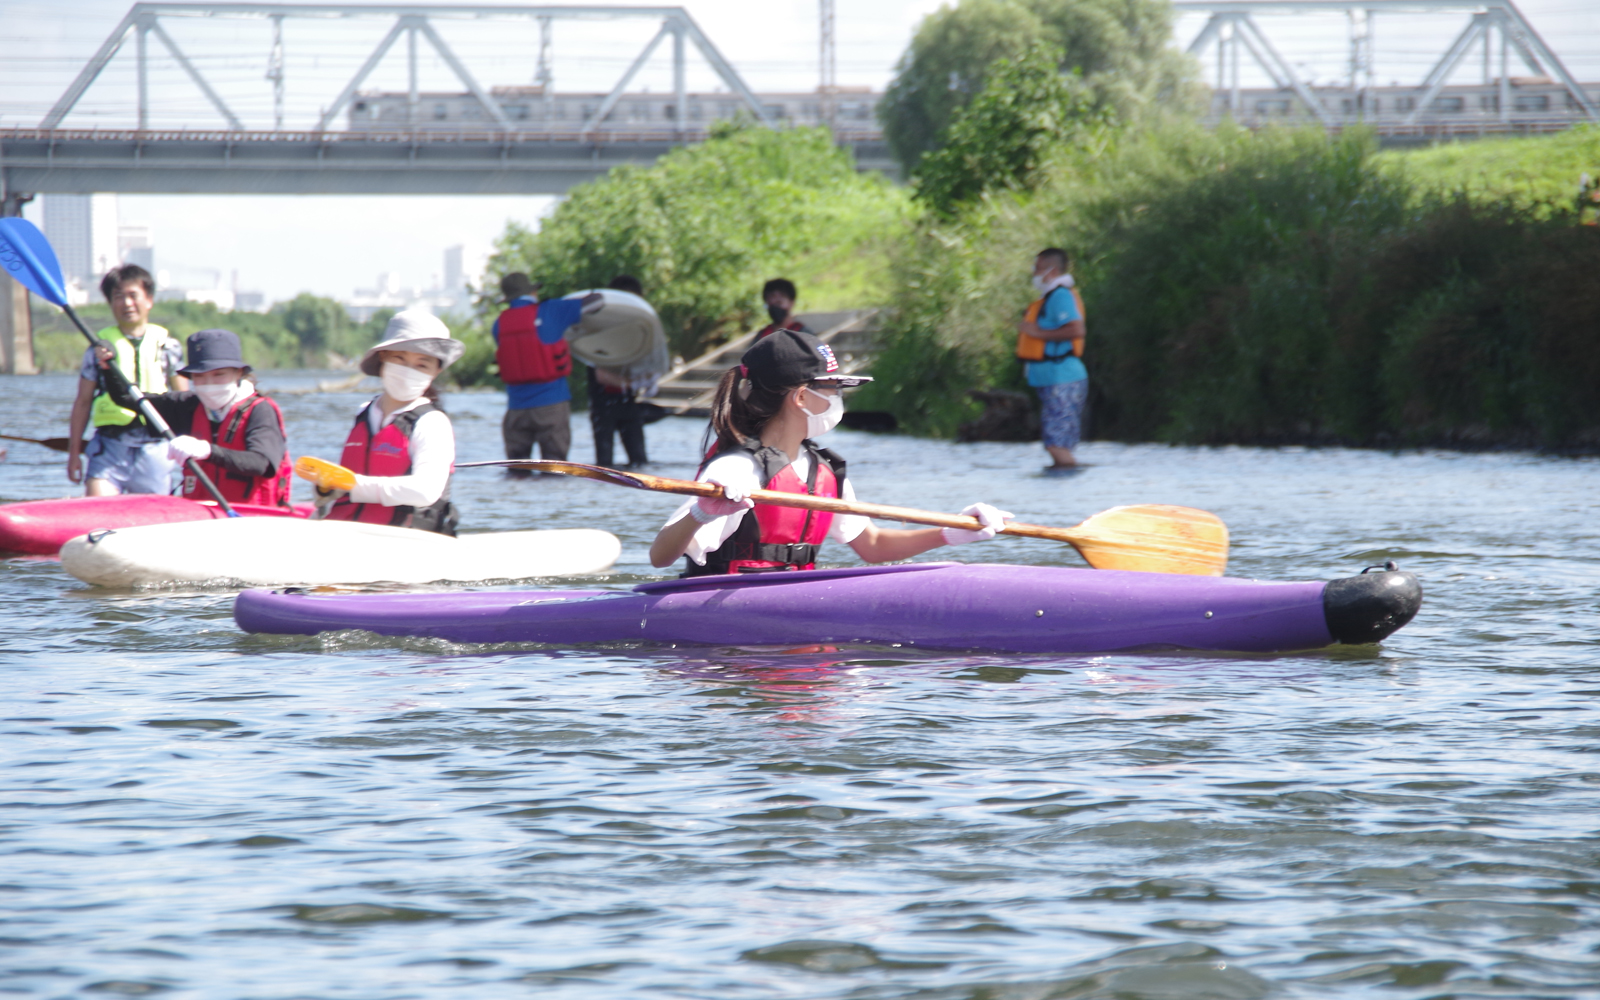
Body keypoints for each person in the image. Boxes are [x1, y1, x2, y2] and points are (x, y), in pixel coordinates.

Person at [649, 328, 1012, 575]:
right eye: (833, 387)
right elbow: (660, 556)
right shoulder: (736, 468)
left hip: (788, 608)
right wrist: (700, 512)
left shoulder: (823, 471)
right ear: (802, 397)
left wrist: (952, 530)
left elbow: (872, 545)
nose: (839, 398)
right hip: (722, 619)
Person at [295, 310, 463, 534]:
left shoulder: (432, 423)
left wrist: (356, 486)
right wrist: (326, 489)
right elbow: (345, 485)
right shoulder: (364, 412)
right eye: (400, 359)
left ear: (436, 371)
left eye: (421, 365)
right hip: (346, 531)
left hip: (407, 539)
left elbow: (426, 491)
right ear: (383, 357)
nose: (407, 371)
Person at [99, 328, 291, 506]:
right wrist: (109, 366)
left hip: (254, 517)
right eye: (200, 377)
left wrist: (207, 451)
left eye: (219, 375)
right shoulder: (189, 405)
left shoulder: (261, 411)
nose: (209, 385)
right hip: (201, 516)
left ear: (238, 373)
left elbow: (262, 463)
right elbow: (128, 399)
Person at [66, 264, 188, 495]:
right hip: (110, 446)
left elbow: (184, 401)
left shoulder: (168, 346)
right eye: (118, 297)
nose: (127, 303)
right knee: (99, 511)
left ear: (149, 300)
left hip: (155, 448)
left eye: (133, 296)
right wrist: (74, 455)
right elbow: (82, 402)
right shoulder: (98, 349)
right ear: (111, 303)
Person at [493, 272, 586, 470]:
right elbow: (596, 302)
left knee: (518, 472)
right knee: (554, 470)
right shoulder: (551, 311)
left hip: (516, 411)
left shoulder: (498, 324)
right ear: (533, 291)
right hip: (551, 406)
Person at [1016, 248, 1087, 468]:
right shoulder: (1049, 296)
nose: (1033, 273)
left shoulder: (1060, 296)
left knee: (1056, 445)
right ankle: (1066, 482)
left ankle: (1066, 488)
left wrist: (1037, 333)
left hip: (1062, 378)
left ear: (1052, 270)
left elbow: (1077, 329)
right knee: (1057, 443)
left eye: (1037, 268)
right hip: (1051, 379)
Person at [586, 274, 660, 468]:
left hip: (630, 402)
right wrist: (634, 383)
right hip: (603, 405)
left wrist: (649, 379)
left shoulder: (637, 330)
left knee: (640, 462)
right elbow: (600, 375)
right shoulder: (599, 327)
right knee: (603, 466)